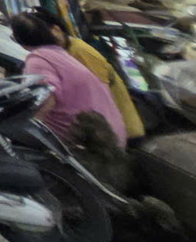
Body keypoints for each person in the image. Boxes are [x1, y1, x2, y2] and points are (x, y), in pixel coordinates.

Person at [10, 11, 126, 145]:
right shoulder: (61, 53)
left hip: (91, 146)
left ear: (20, 41)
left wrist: (24, 131)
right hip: (112, 138)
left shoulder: (39, 59)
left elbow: (44, 99)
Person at [46, 17, 144, 142]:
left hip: (116, 132)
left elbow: (101, 93)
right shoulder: (66, 52)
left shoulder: (79, 51)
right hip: (105, 132)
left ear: (56, 29)